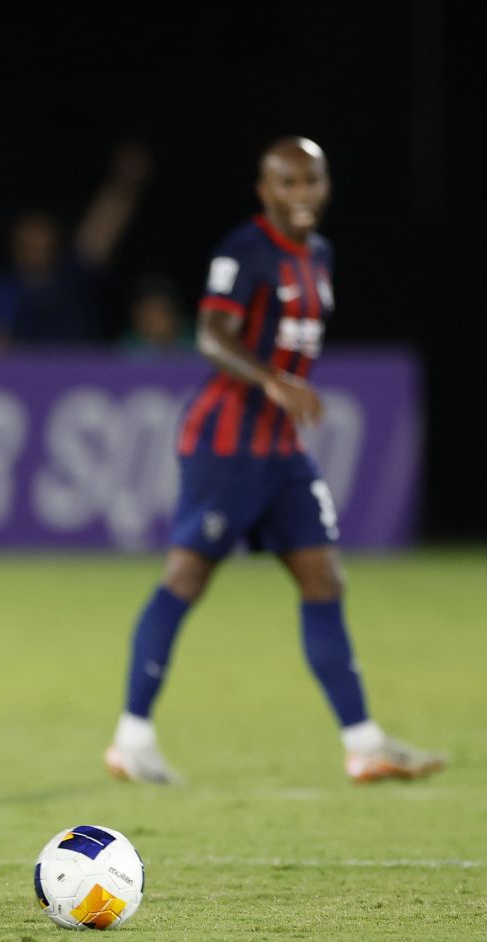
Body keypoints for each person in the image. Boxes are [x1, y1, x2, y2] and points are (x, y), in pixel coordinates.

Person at [105, 137, 443, 785]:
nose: (301, 195)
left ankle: (363, 741)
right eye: (287, 183)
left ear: (325, 185)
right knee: (185, 578)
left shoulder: (319, 254)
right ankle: (132, 737)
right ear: (265, 190)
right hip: (226, 443)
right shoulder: (246, 250)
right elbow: (211, 333)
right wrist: (271, 381)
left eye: (311, 181)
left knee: (325, 580)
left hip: (282, 449)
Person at [0, 143, 151, 349]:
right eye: (28, 243)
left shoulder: (72, 276)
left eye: (43, 242)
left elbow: (99, 236)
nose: (36, 248)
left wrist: (124, 186)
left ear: (55, 243)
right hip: (26, 376)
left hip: (83, 375)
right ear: (16, 245)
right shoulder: (4, 289)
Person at [119, 274, 193, 356]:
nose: (156, 319)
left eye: (162, 311)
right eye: (148, 312)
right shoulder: (124, 349)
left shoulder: (195, 343)